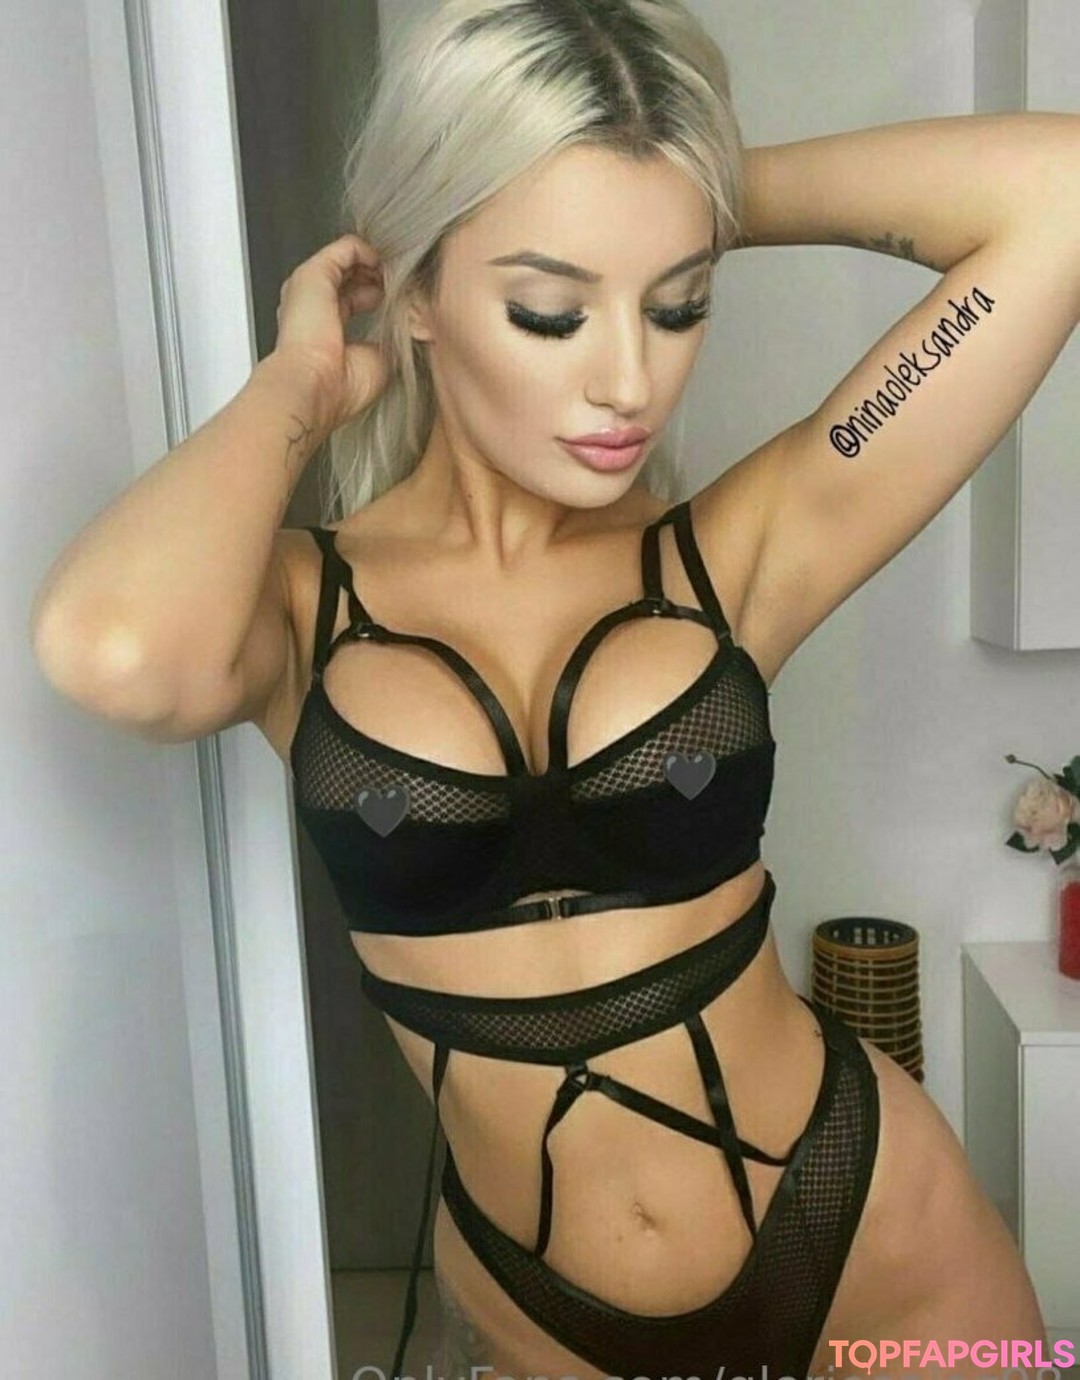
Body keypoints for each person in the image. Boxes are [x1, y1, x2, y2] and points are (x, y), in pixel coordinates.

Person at [31, 2, 1079, 1377]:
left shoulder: (735, 559)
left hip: (876, 1244)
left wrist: (694, 190)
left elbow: (1059, 197)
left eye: (678, 302)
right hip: (545, 1313)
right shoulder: (296, 606)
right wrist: (301, 379)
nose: (629, 380)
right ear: (416, 291)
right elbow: (112, 650)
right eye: (549, 309)